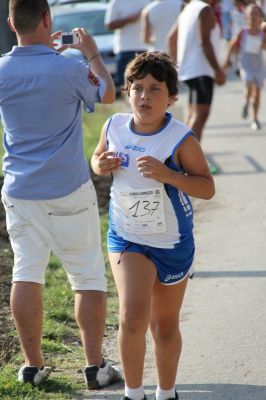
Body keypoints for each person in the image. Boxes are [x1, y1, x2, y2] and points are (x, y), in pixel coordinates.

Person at [0, 0, 122, 388]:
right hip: (68, 188)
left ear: (10, 22)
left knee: (27, 272)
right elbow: (106, 94)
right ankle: (94, 367)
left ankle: (32, 367)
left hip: (21, 189)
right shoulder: (70, 67)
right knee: (86, 275)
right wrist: (91, 53)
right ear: (48, 19)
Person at [91, 51, 215, 400]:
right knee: (131, 318)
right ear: (128, 91)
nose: (145, 96)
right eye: (138, 88)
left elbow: (207, 187)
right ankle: (133, 394)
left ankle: (166, 392)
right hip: (127, 236)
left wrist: (169, 175)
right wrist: (101, 164)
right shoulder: (113, 125)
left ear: (172, 96)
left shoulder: (180, 138)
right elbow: (97, 158)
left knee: (163, 327)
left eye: (155, 89)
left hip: (172, 242)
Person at [167, 0, 226, 143]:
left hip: (189, 70)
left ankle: (181, 158)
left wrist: (175, 66)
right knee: (199, 118)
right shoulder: (205, 9)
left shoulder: (188, 9)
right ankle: (189, 161)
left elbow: (171, 39)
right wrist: (218, 70)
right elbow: (204, 41)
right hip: (201, 70)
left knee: (191, 116)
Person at [223, 3, 266, 130]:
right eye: (251, 14)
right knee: (248, 84)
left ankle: (255, 119)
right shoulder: (243, 32)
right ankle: (246, 102)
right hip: (245, 64)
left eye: (256, 14)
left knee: (257, 93)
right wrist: (226, 61)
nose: (253, 16)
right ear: (246, 17)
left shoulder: (262, 33)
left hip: (259, 66)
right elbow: (232, 45)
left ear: (260, 17)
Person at [104, 0, 151, 92]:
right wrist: (129, 19)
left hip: (146, 48)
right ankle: (127, 105)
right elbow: (109, 25)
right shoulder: (116, 2)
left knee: (146, 83)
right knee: (126, 84)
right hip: (125, 48)